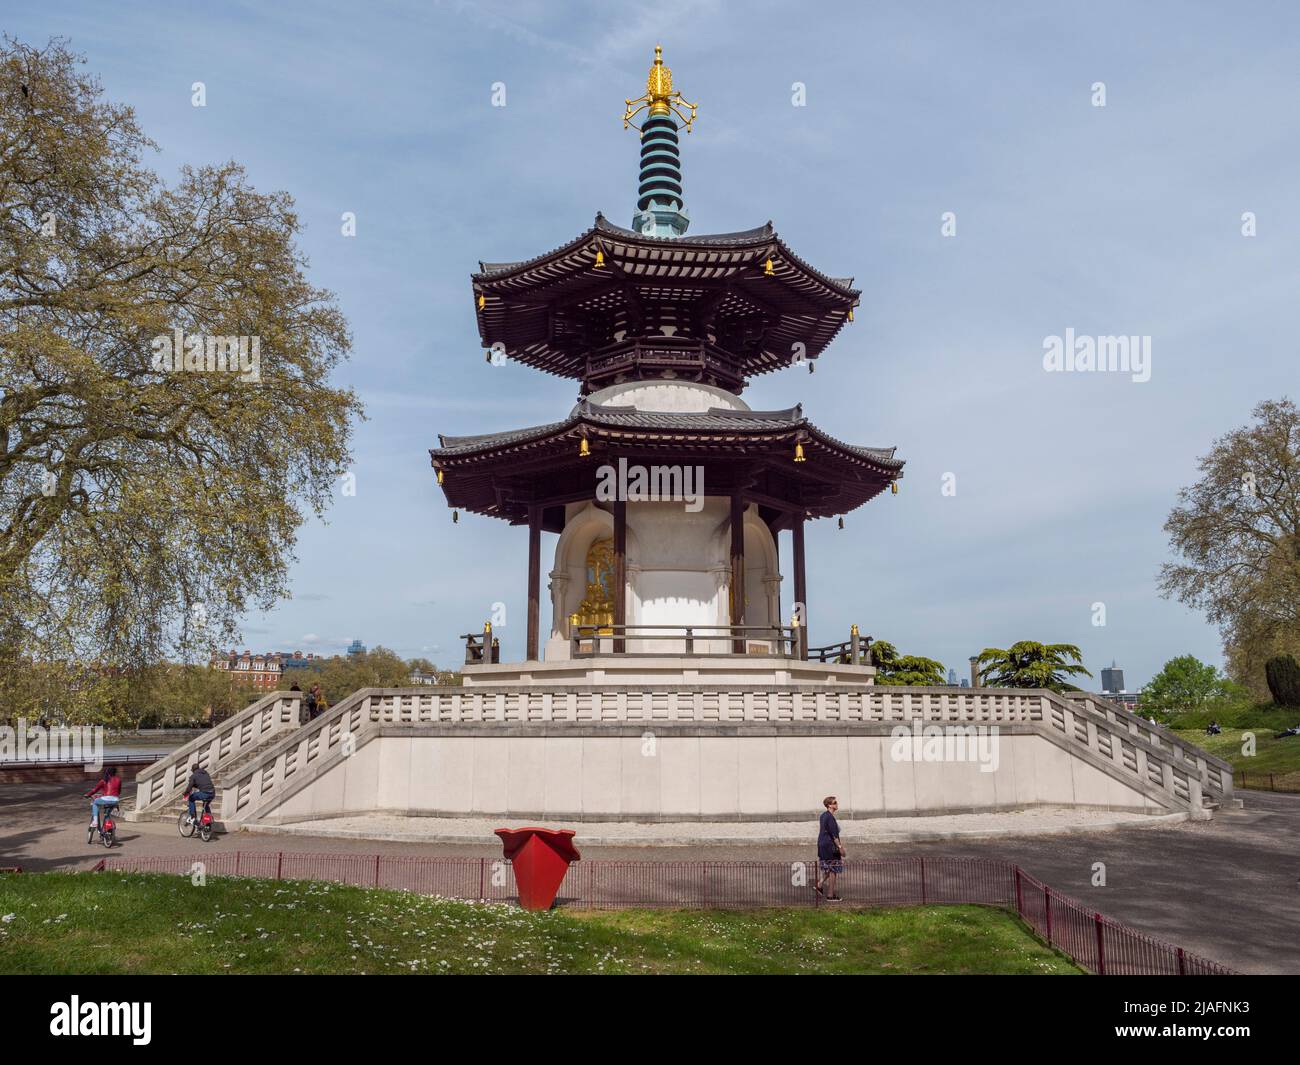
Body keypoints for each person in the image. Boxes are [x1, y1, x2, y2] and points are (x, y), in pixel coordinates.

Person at [815, 795, 846, 901]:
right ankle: (830, 895)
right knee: (833, 869)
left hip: (822, 845)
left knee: (829, 867)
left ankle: (819, 885)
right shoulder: (830, 818)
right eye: (835, 802)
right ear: (829, 805)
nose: (837, 804)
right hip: (830, 846)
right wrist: (841, 848)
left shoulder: (823, 815)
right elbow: (834, 836)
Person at [84, 765, 122, 830]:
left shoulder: (104, 780)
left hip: (106, 799)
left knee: (95, 803)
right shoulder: (119, 780)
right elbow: (119, 792)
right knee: (107, 814)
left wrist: (88, 794)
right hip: (115, 800)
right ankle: (108, 831)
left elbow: (95, 790)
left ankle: (95, 821)